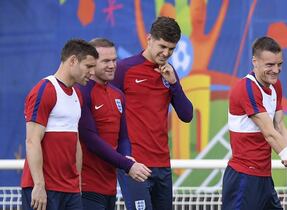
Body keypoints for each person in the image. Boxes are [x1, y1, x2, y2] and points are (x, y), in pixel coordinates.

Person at [222, 36, 287, 210]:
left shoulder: (275, 86)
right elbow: (269, 132)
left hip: (264, 178)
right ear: (255, 62)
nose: (276, 70)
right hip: (243, 178)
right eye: (270, 65)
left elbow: (279, 126)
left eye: (279, 64)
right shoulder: (246, 89)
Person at [112, 16, 193, 210]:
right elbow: (110, 112)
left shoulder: (169, 72)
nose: (166, 53)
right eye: (162, 46)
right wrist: (121, 157)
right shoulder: (124, 69)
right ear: (149, 39)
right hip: (135, 164)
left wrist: (174, 84)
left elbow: (187, 115)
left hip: (162, 164)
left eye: (171, 49)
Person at [21, 39, 98, 210]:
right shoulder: (45, 90)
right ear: (72, 61)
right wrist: (39, 185)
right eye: (88, 66)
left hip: (70, 191)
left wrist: (77, 184)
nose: (92, 72)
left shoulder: (77, 94)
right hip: (45, 189)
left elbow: (75, 142)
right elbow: (32, 141)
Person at [77, 38, 152, 210]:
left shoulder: (118, 95)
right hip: (86, 187)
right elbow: (91, 140)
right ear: (91, 63)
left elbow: (123, 137)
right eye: (105, 61)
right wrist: (128, 165)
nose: (112, 65)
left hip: (110, 188)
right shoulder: (82, 92)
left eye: (114, 60)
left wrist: (126, 157)